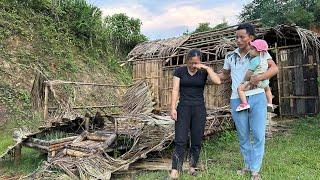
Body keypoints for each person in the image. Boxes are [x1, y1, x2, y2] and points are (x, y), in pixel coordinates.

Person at [217, 23, 279, 180]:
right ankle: (248, 165)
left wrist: (258, 77)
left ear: (251, 38)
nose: (238, 40)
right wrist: (207, 75)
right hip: (236, 99)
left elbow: (274, 69)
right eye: (236, 37)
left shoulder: (261, 53)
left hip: (257, 95)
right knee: (243, 135)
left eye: (241, 37)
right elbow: (224, 75)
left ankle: (255, 170)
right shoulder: (230, 56)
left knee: (258, 134)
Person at [170, 48, 221, 179]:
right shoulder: (179, 71)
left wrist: (207, 68)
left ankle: (192, 167)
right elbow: (175, 90)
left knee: (197, 139)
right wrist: (173, 108)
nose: (193, 66)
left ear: (200, 62)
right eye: (191, 63)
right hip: (183, 108)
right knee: (180, 140)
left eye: (196, 63)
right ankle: (175, 170)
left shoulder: (203, 72)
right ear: (187, 60)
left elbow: (218, 81)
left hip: (199, 109)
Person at [236, 39, 274, 112]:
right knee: (268, 89)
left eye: (252, 49)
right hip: (265, 81)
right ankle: (270, 103)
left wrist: (244, 80)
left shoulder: (255, 60)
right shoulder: (265, 60)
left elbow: (249, 73)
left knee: (240, 89)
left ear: (258, 50)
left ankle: (244, 103)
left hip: (255, 81)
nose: (250, 51)